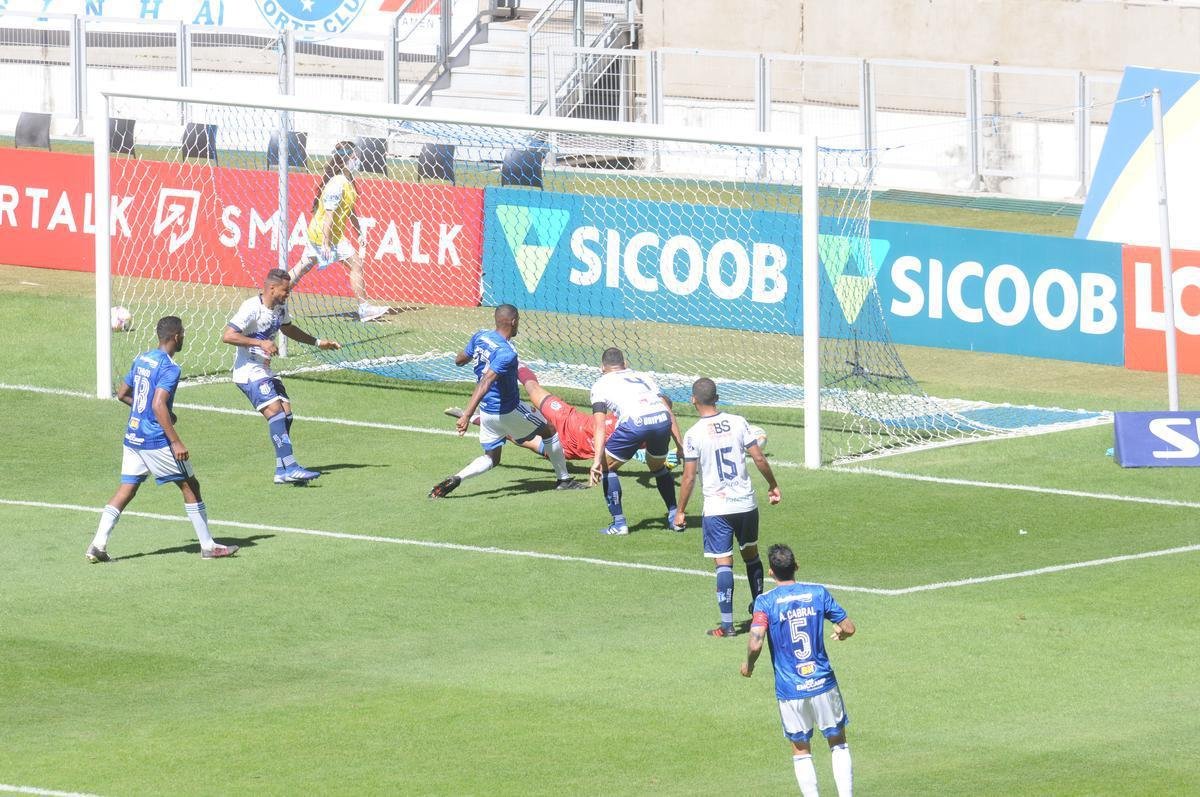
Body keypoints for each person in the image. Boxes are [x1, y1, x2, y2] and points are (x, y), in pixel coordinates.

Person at [86, 316, 239, 562]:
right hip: (155, 440)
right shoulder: (169, 368)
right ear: (176, 336)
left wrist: (150, 411)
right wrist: (175, 440)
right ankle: (208, 546)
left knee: (127, 488)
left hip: (133, 436)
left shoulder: (142, 358)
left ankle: (97, 544)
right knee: (190, 485)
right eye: (183, 334)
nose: (184, 338)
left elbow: (123, 394)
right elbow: (158, 404)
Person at [429, 305, 584, 498]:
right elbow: (486, 381)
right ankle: (564, 479)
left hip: (487, 412)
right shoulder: (507, 353)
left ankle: (457, 479)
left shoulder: (481, 336)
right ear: (513, 321)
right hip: (508, 410)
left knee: (492, 458)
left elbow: (460, 360)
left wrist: (466, 359)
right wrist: (466, 415)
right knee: (549, 429)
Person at [742, 544, 856, 797]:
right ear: (797, 566)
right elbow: (848, 626)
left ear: (771, 572)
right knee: (838, 743)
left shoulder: (765, 602)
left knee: (801, 750)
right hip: (823, 682)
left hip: (790, 689)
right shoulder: (817, 593)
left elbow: (756, 640)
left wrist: (748, 665)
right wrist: (841, 633)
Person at [674, 377, 780, 637]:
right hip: (745, 503)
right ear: (717, 398)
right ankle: (760, 614)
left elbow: (688, 477)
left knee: (724, 563)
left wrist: (680, 511)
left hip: (717, 507)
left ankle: (727, 625)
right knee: (751, 555)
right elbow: (758, 457)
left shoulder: (693, 434)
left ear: (693, 399)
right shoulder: (738, 422)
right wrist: (773, 485)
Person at [221, 268, 341, 485]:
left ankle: (281, 470)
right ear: (271, 288)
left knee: (286, 413)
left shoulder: (279, 308)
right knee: (275, 411)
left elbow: (288, 329)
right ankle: (292, 466)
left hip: (264, 370)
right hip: (247, 371)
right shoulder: (251, 308)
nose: (288, 295)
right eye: (285, 291)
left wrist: (318, 342)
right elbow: (228, 335)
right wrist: (260, 343)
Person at [287, 140, 390, 322]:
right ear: (346, 159)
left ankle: (273, 300)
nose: (357, 160)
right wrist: (326, 243)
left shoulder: (348, 182)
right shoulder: (337, 183)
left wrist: (359, 232)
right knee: (356, 264)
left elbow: (349, 210)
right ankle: (364, 309)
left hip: (323, 234)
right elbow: (329, 215)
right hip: (324, 235)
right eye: (355, 157)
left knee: (301, 268)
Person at [588, 347, 684, 536]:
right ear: (625, 365)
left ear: (602, 367)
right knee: (657, 466)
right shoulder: (643, 377)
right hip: (661, 420)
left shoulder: (599, 385)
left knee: (608, 467)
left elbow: (599, 426)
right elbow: (667, 410)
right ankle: (674, 516)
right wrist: (680, 446)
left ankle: (619, 524)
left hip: (635, 423)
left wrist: (597, 461)